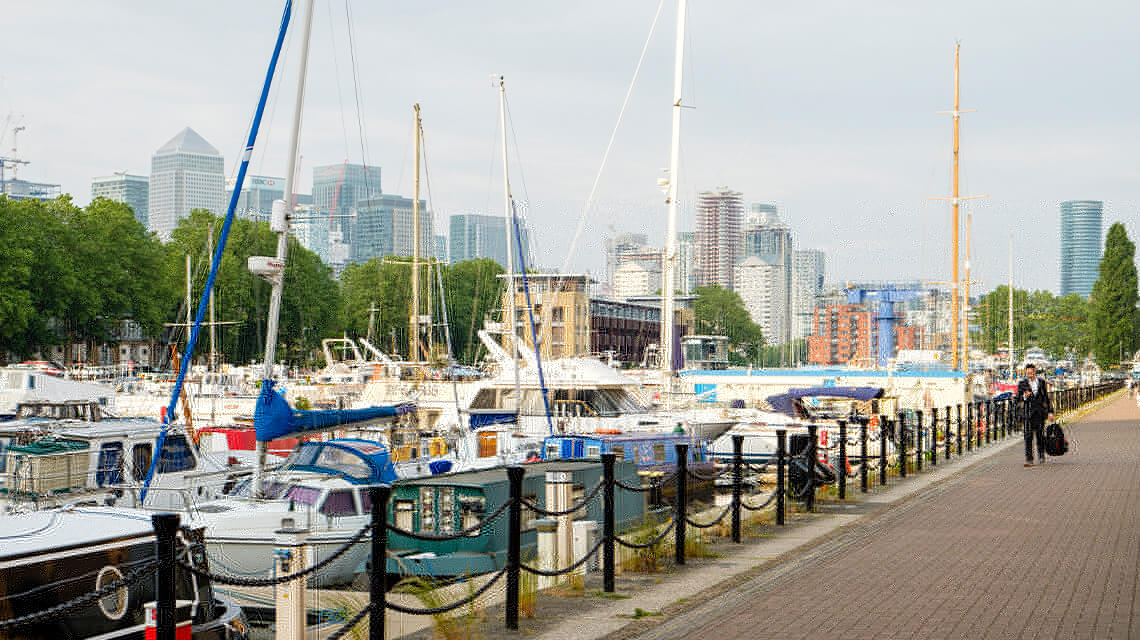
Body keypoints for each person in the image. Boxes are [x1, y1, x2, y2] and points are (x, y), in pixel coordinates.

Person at [1017, 364, 1054, 466]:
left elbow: (1046, 398)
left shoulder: (1041, 382)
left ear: (1034, 372)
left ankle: (1041, 455)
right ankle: (1029, 459)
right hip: (1028, 414)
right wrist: (1024, 396)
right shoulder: (1022, 384)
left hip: (1040, 413)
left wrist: (1050, 412)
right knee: (1028, 437)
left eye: (1031, 372)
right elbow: (1018, 398)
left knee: (1040, 436)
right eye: (1027, 373)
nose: (1029, 375)